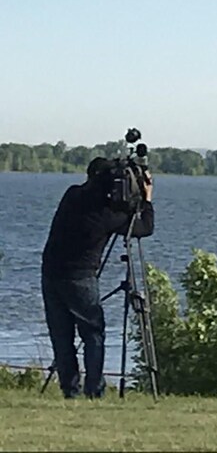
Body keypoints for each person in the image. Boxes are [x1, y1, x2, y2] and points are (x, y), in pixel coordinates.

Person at [41, 156, 155, 399]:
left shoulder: (71, 195)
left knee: (62, 337)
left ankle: (69, 391)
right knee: (93, 334)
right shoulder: (107, 215)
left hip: (51, 271)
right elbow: (145, 227)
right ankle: (94, 391)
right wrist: (145, 197)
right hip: (80, 277)